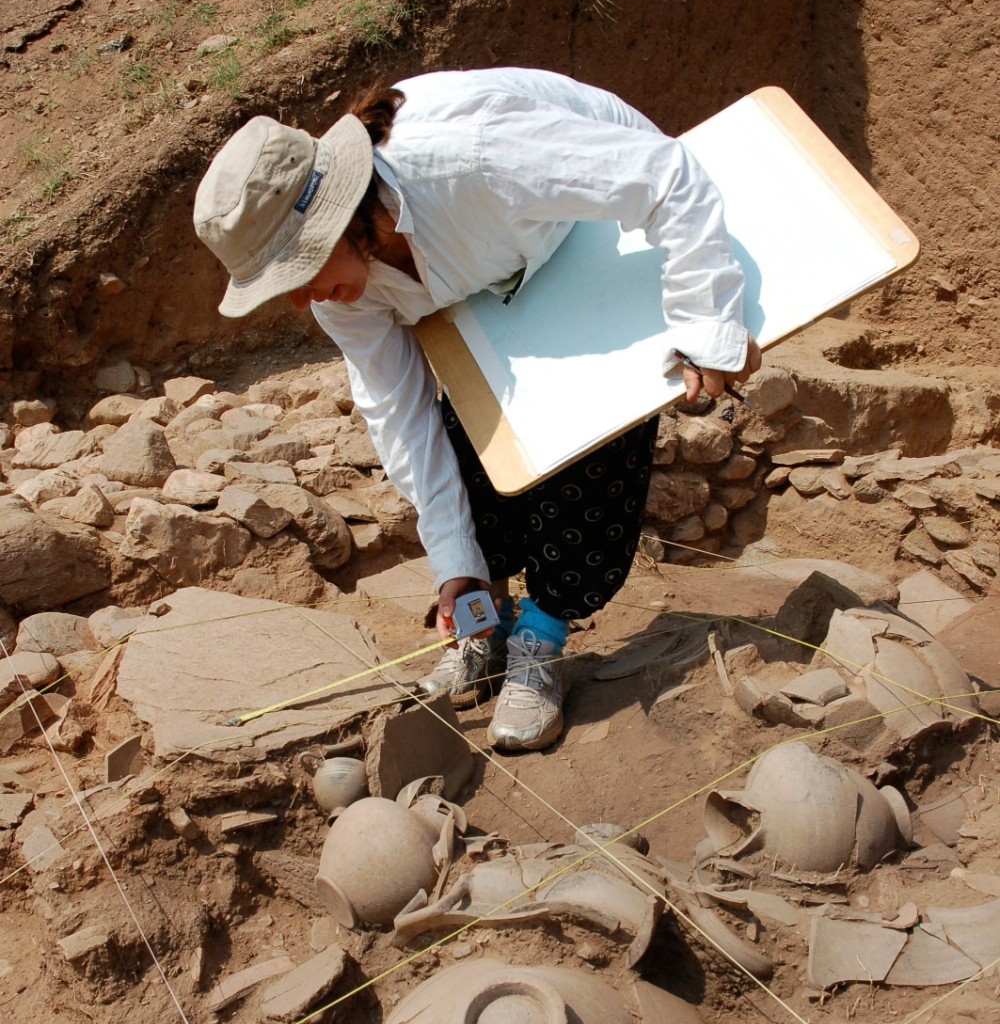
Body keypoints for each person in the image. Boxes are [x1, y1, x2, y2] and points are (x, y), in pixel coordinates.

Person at [193, 68, 759, 752]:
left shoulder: (476, 158)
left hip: (592, 232)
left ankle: (542, 638)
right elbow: (400, 411)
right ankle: (484, 616)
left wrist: (710, 322)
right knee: (474, 432)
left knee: (585, 433)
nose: (297, 302)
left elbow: (665, 174)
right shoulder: (343, 282)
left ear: (340, 217)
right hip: (496, 274)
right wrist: (453, 560)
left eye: (296, 272)